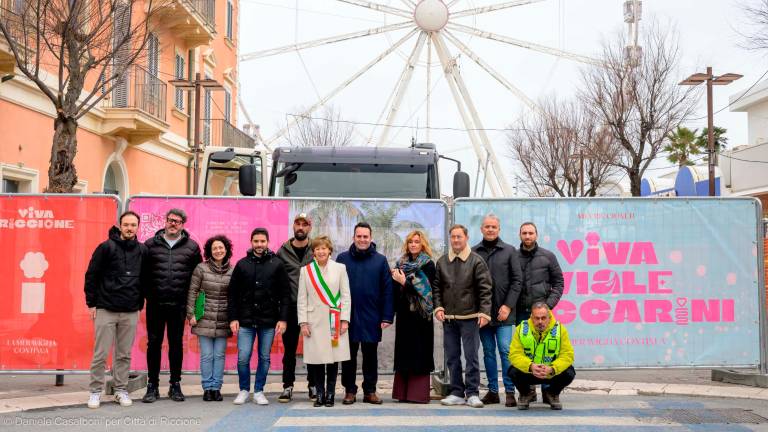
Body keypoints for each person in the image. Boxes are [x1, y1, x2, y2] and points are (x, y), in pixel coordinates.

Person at [85, 210, 147, 409]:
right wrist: (91, 303)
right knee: (101, 353)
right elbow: (91, 275)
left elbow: (145, 280)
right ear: (120, 226)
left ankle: (120, 390)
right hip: (106, 308)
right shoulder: (106, 247)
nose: (130, 228)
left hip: (130, 310)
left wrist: (139, 304)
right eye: (126, 224)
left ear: (138, 227)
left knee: (124, 354)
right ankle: (95, 391)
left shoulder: (143, 250)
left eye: (133, 225)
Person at [142, 208, 202, 403]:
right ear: (165, 222)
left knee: (176, 345)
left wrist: (194, 307)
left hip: (178, 306)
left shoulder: (192, 247)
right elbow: (142, 274)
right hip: (155, 304)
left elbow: (197, 278)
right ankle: (152, 386)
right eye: (170, 220)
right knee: (154, 345)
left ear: (183, 224)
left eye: (177, 221)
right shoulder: (150, 245)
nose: (173, 224)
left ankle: (175, 385)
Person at [228, 227, 290, 406]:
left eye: (263, 241)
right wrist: (233, 318)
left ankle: (259, 390)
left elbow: (285, 294)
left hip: (269, 320)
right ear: (251, 242)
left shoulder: (277, 264)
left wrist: (283, 319)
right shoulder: (241, 264)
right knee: (243, 356)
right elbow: (232, 294)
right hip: (245, 320)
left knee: (264, 357)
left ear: (267, 242)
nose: (259, 244)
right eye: (256, 241)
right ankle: (244, 390)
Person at [434, 224, 493, 408]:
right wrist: (438, 307)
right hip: (449, 319)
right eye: (453, 237)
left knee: (471, 356)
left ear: (466, 237)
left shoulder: (476, 261)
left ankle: (473, 393)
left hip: (470, 317)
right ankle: (457, 392)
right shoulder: (442, 262)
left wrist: (485, 312)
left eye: (459, 236)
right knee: (452, 356)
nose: (456, 240)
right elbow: (437, 288)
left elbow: (485, 289)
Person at [337, 222, 394, 405]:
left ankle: (370, 391)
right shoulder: (342, 259)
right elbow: (335, 288)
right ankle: (349, 391)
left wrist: (386, 316)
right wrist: (338, 315)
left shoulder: (380, 260)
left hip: (372, 316)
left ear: (370, 238)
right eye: (359, 236)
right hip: (348, 316)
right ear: (353, 237)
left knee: (370, 356)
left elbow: (387, 290)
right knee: (349, 356)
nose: (362, 239)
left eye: (365, 236)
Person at [472, 214, 522, 407]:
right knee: (489, 352)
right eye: (487, 227)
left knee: (505, 350)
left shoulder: (509, 251)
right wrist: (478, 310)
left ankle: (510, 391)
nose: (490, 229)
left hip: (504, 313)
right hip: (483, 314)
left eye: (494, 227)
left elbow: (517, 281)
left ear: (499, 229)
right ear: (482, 229)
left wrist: (508, 306)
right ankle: (493, 392)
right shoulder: (474, 252)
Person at [297, 236, 352, 407]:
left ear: (330, 250)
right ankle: (319, 394)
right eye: (317, 249)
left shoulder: (340, 268)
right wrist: (303, 322)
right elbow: (302, 299)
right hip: (314, 322)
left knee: (334, 359)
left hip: (334, 320)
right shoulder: (306, 271)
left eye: (324, 248)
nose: (321, 251)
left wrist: (344, 319)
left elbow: (346, 296)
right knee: (317, 360)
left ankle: (330, 394)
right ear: (313, 252)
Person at [186, 235, 234, 402]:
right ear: (209, 251)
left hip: (223, 318)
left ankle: (216, 388)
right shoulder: (201, 268)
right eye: (214, 248)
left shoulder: (233, 270)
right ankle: (207, 388)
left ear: (226, 249)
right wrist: (191, 314)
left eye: (221, 247)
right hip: (203, 317)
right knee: (207, 355)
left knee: (219, 355)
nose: (218, 251)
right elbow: (192, 291)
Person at [390, 230, 436, 404]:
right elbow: (395, 290)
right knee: (404, 352)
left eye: (417, 241)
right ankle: (403, 393)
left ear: (422, 244)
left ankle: (417, 394)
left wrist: (404, 283)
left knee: (419, 352)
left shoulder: (428, 265)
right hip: (404, 316)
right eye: (410, 242)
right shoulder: (400, 264)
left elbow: (426, 293)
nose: (413, 244)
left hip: (421, 317)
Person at [277, 213, 316, 403]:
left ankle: (313, 385)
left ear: (310, 227)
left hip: (313, 308)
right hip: (290, 307)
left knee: (312, 349)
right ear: (293, 226)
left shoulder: (317, 249)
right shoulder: (282, 251)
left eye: (304, 224)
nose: (301, 227)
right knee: (289, 350)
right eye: (297, 224)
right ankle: (287, 386)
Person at [508, 302, 575, 410]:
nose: (540, 321)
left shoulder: (560, 329)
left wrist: (553, 368)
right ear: (531, 317)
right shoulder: (521, 329)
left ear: (549, 317)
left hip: (551, 372)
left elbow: (567, 355)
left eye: (543, 318)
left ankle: (552, 394)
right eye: (537, 318)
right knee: (512, 371)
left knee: (569, 372)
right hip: (529, 372)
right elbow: (514, 354)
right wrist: (530, 366)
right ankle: (526, 394)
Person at [516, 222, 564, 324]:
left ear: (536, 235)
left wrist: (547, 306)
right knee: (524, 340)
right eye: (524, 233)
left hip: (542, 313)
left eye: (531, 233)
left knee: (544, 340)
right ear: (519, 235)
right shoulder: (513, 257)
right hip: (520, 313)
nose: (527, 236)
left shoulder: (548, 256)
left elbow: (559, 283)